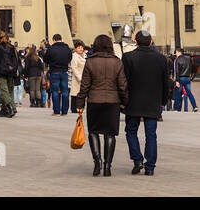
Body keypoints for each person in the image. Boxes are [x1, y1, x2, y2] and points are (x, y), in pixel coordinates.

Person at [74, 34, 128, 176]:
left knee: (94, 131)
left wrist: (80, 103)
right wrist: (125, 102)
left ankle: (97, 161)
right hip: (112, 102)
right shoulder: (117, 62)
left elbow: (85, 86)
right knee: (110, 134)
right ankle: (108, 166)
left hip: (94, 101)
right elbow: (122, 85)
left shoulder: (90, 62)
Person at [122, 31, 171, 176]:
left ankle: (137, 160)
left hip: (133, 101)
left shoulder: (128, 57)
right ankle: (150, 167)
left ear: (135, 42)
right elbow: (165, 82)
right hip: (152, 101)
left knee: (131, 131)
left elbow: (124, 81)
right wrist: (163, 100)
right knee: (151, 134)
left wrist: (123, 101)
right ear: (151, 42)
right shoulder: (161, 59)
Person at [0, 31, 20, 118]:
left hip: (0, 72)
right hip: (11, 72)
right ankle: (4, 109)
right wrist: (14, 70)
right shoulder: (12, 47)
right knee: (10, 90)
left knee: (3, 91)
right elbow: (17, 60)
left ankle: (10, 108)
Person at [46, 34, 73, 115]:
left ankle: (56, 111)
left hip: (54, 72)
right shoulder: (67, 48)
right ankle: (64, 111)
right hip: (64, 71)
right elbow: (70, 58)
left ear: (54, 40)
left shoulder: (51, 48)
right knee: (65, 91)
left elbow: (46, 58)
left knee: (55, 91)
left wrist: (51, 62)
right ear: (61, 39)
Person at [171, 47, 196, 112]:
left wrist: (176, 80)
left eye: (176, 52)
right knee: (189, 93)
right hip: (187, 78)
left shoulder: (177, 60)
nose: (175, 54)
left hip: (181, 78)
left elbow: (177, 71)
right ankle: (195, 106)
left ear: (179, 52)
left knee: (177, 93)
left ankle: (176, 108)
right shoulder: (188, 59)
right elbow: (192, 68)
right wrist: (190, 77)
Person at [70, 38, 88, 110]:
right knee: (75, 93)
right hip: (77, 77)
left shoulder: (84, 55)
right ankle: (73, 107)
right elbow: (74, 67)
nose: (80, 49)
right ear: (76, 48)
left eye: (81, 47)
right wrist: (79, 77)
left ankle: (80, 106)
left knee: (81, 93)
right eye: (78, 48)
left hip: (84, 76)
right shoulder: (74, 56)